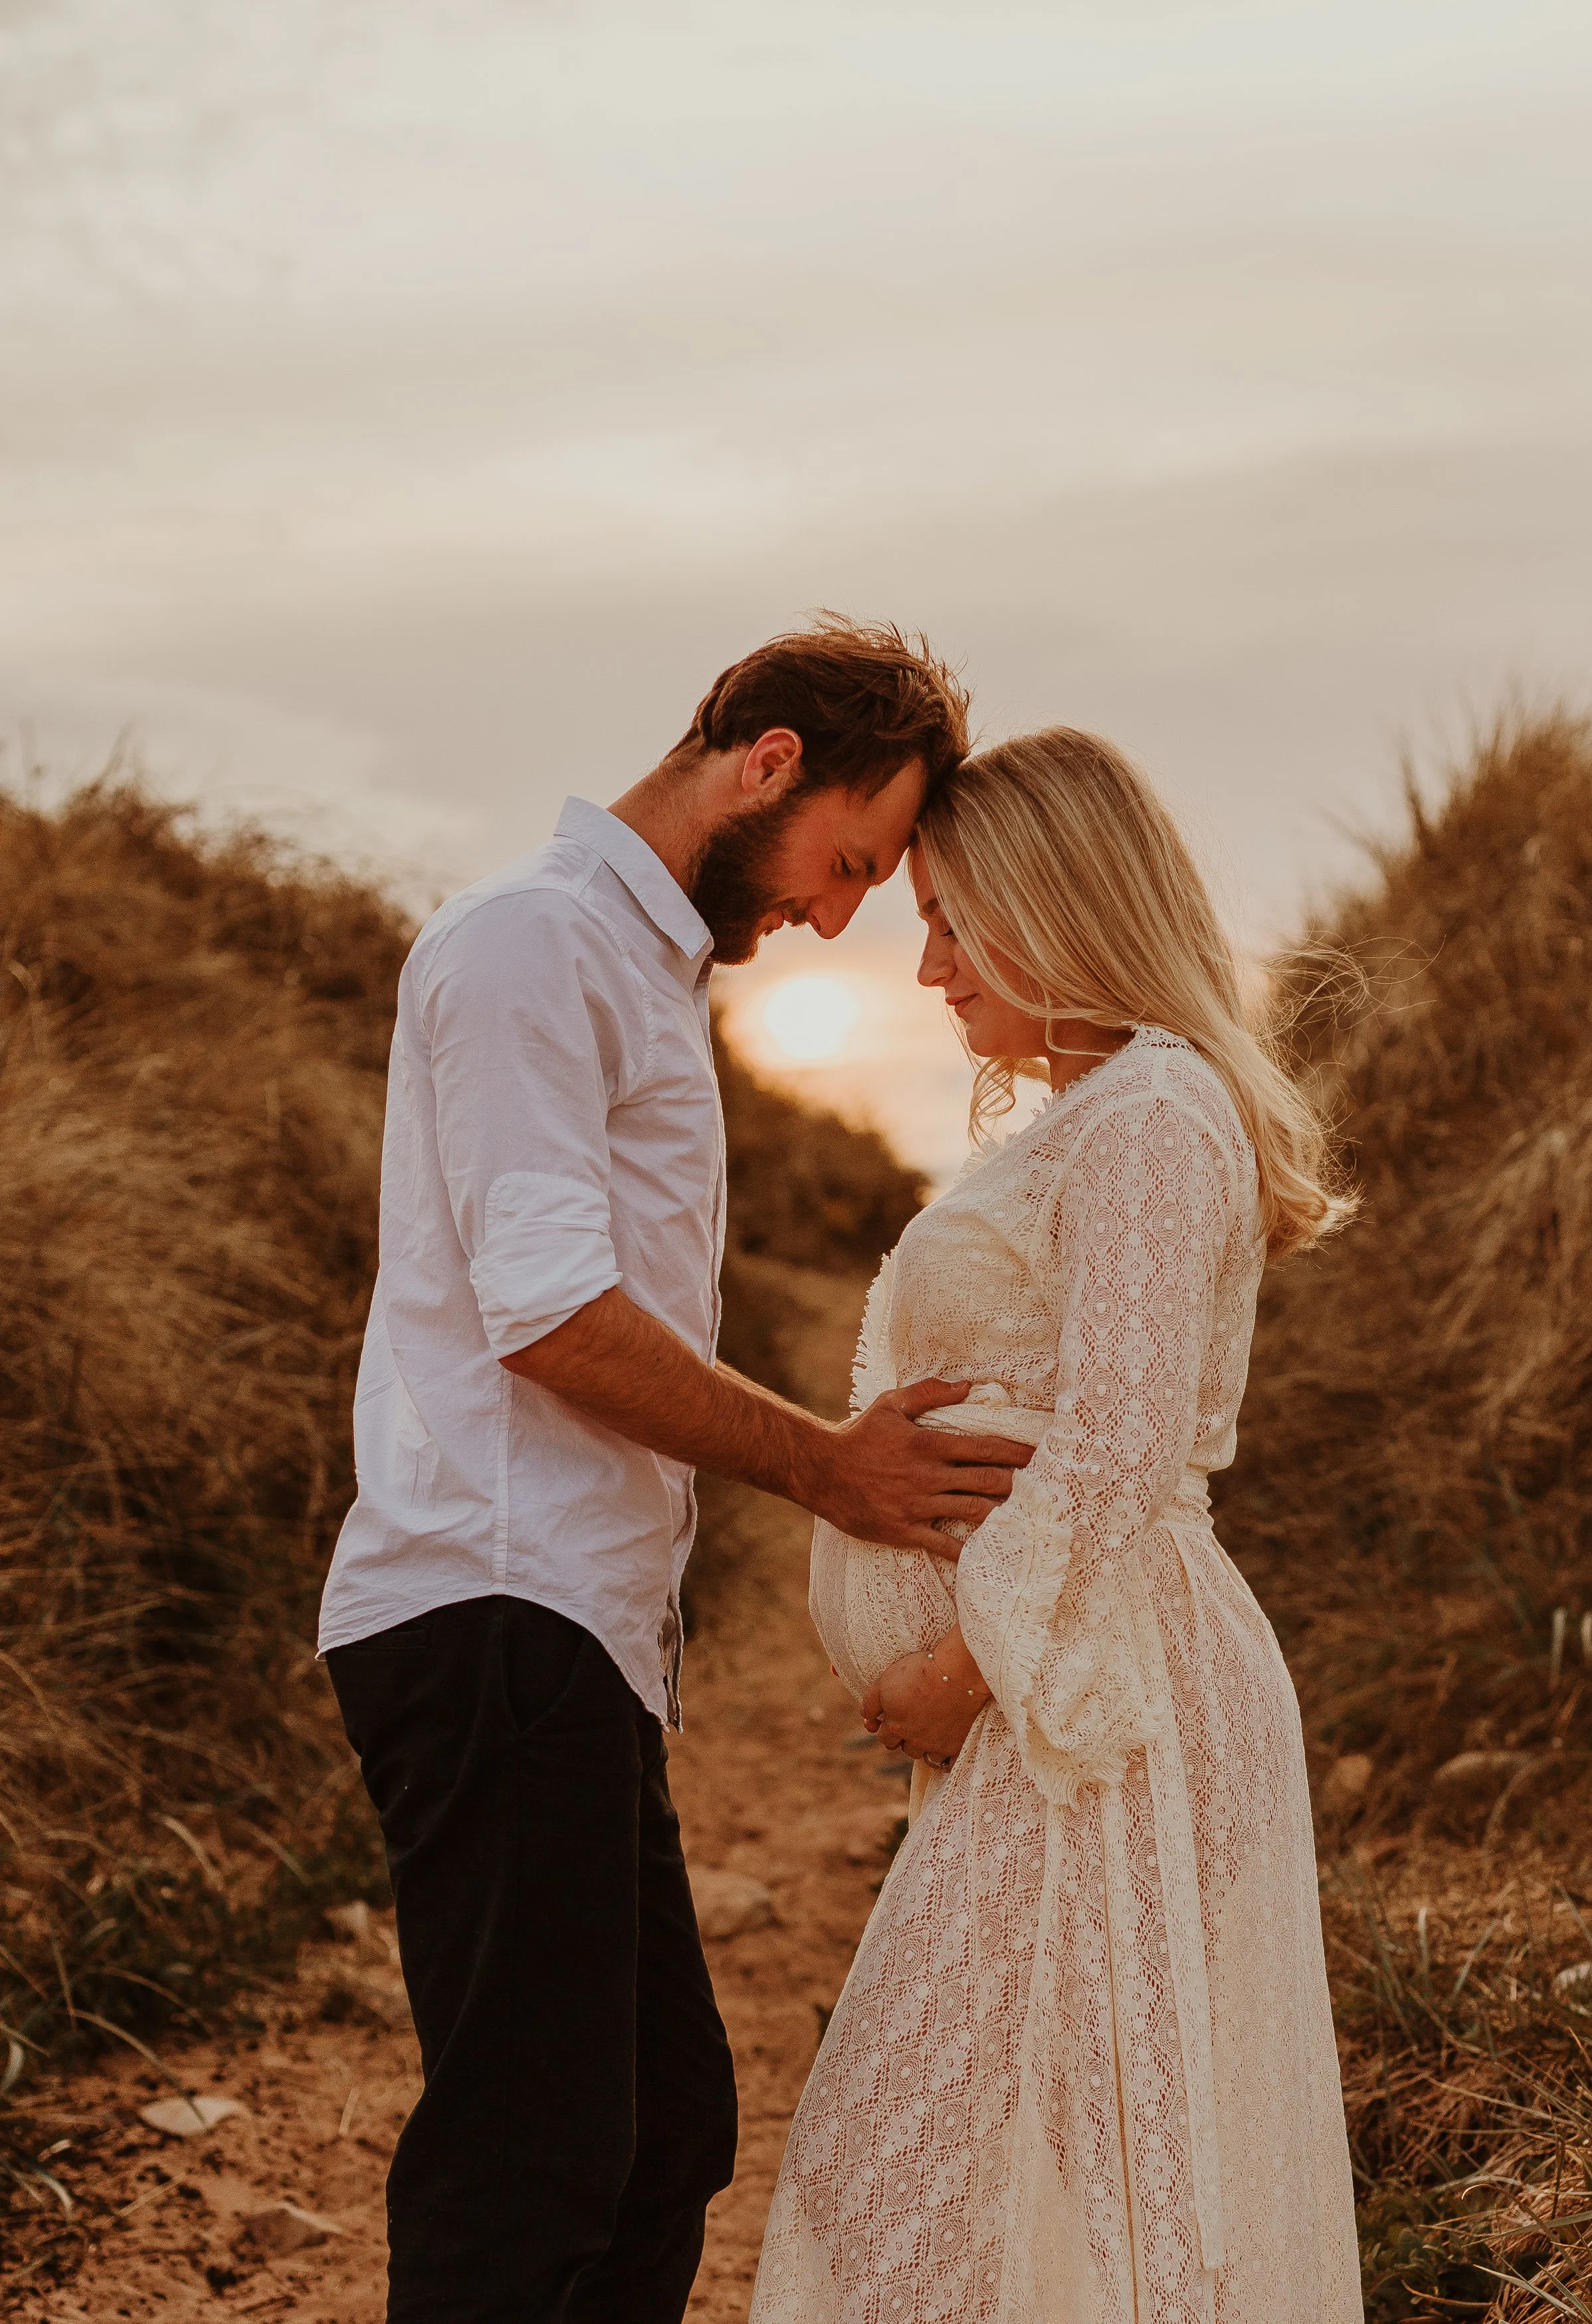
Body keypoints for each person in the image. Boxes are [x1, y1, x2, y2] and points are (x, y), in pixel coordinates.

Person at [317, 619, 1038, 2324]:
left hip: (570, 1632)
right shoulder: (528, 950)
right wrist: (832, 1470)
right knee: (537, 2151)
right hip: (487, 1607)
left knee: (657, 2139)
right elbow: (552, 1317)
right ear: (767, 761)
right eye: (846, 861)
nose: (836, 912)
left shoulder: (633, 974)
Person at [753, 728, 1366, 2323]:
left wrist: (960, 1668)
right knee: (1007, 2159)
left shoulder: (1154, 1110)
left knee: (1013, 2154)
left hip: (1095, 1698)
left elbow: (1119, 1437)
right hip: (1069, 1690)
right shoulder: (1105, 1109)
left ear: (1058, 900)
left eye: (955, 918)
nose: (929, 965)